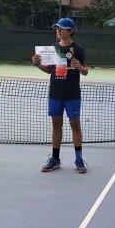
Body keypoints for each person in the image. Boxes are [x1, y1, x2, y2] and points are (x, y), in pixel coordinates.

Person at [31, 18, 89, 174]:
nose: (58, 31)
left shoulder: (78, 49)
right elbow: (49, 70)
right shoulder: (53, 48)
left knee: (75, 125)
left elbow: (85, 71)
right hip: (55, 94)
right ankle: (55, 159)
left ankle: (79, 159)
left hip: (72, 94)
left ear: (70, 31)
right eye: (57, 28)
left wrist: (79, 66)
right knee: (56, 125)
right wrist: (38, 64)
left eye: (61, 28)